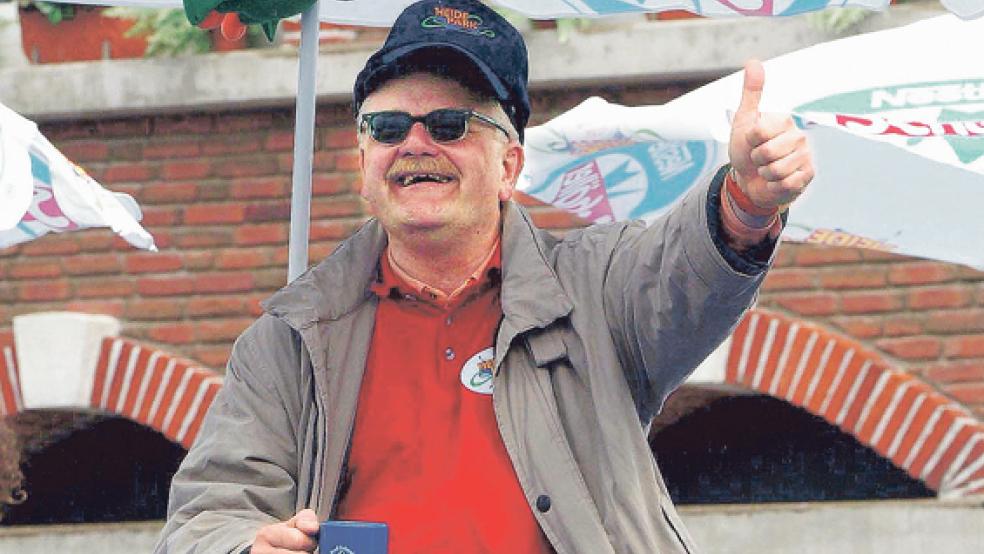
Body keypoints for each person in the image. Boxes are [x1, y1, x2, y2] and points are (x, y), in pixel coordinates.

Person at [156, 1, 814, 552]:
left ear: (508, 166)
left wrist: (745, 202)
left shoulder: (595, 287)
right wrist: (244, 547)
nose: (416, 145)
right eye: (388, 128)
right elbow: (207, 515)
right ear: (362, 165)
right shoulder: (289, 340)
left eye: (450, 125)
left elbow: (683, 277)